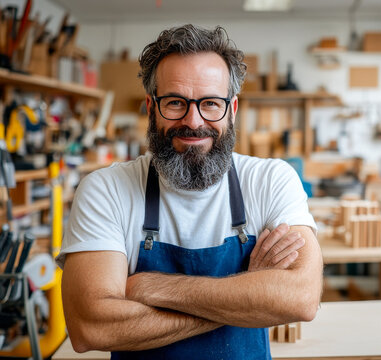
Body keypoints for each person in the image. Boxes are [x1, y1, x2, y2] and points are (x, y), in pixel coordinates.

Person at [57, 24, 323, 359]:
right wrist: (248, 295)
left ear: (233, 109)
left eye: (211, 103)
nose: (194, 121)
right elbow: (90, 327)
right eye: (175, 102)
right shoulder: (106, 190)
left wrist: (151, 287)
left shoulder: (270, 181)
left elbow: (300, 298)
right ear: (151, 107)